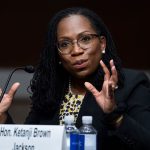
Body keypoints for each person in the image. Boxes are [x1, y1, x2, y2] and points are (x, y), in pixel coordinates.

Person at [0, 7, 150, 150]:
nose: (76, 50)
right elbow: (27, 143)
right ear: (57, 53)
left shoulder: (131, 84)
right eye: (64, 44)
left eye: (85, 39)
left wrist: (114, 115)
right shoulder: (51, 89)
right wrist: (2, 118)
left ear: (102, 43)